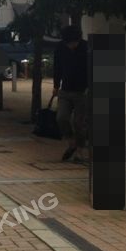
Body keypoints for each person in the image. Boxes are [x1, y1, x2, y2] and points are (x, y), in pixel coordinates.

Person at [53, 24, 88, 162]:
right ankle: (71, 142)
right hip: (65, 90)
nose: (71, 46)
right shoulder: (60, 48)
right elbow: (57, 67)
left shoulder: (86, 48)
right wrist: (56, 85)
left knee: (79, 123)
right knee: (61, 118)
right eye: (69, 43)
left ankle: (80, 151)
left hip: (82, 91)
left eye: (74, 43)